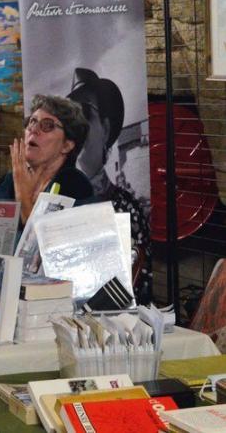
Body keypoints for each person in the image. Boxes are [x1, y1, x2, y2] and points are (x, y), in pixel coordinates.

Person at [67, 68, 151, 303]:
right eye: (71, 117)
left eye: (84, 112)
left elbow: (132, 283)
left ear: (104, 127)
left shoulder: (124, 207)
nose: (78, 126)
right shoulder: (57, 194)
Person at [0, 94, 93, 224]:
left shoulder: (76, 185)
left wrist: (23, 200)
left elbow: (46, 243)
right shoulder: (10, 179)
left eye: (47, 125)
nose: (33, 129)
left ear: (66, 145)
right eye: (32, 121)